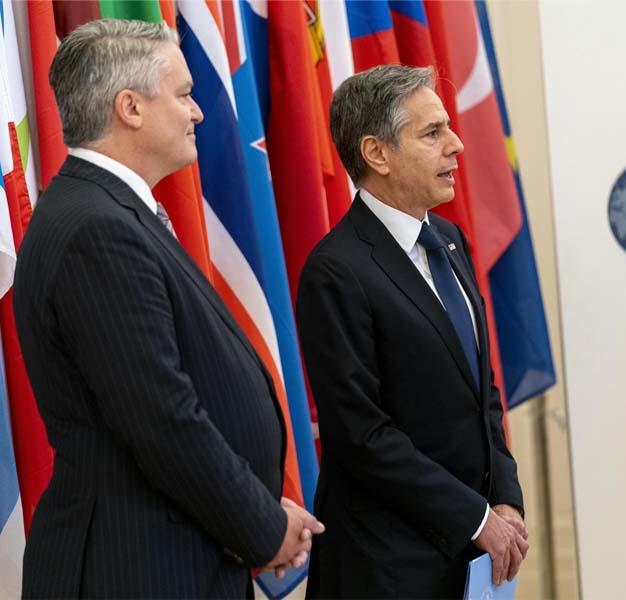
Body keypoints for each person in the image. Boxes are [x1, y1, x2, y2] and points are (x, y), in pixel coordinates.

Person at [14, 19, 322, 599]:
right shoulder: (97, 230)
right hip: (136, 569)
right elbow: (160, 416)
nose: (198, 112)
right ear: (129, 107)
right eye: (183, 95)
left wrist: (256, 507)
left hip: (175, 553)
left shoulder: (110, 213)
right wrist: (261, 527)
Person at [296, 65, 528, 599]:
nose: (457, 144)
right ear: (377, 153)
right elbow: (363, 435)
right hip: (387, 568)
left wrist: (506, 498)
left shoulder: (449, 239)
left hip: (471, 559)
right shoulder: (336, 271)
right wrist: (475, 518)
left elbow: (482, 392)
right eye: (432, 132)